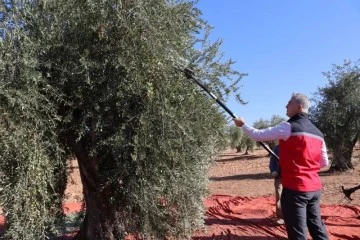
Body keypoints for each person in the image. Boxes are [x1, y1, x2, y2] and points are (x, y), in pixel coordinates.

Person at [233, 93, 329, 240]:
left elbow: (258, 135)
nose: (285, 105)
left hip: (295, 190)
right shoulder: (318, 133)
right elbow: (323, 163)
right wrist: (303, 162)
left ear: (299, 107)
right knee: (317, 228)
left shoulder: (288, 127)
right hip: (315, 188)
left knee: (298, 233)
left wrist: (243, 125)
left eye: (289, 103)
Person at [269, 144, 284, 225]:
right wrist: (273, 171)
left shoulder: (293, 145)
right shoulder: (277, 148)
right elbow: (272, 161)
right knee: (279, 196)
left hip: (291, 177)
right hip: (279, 176)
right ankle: (281, 217)